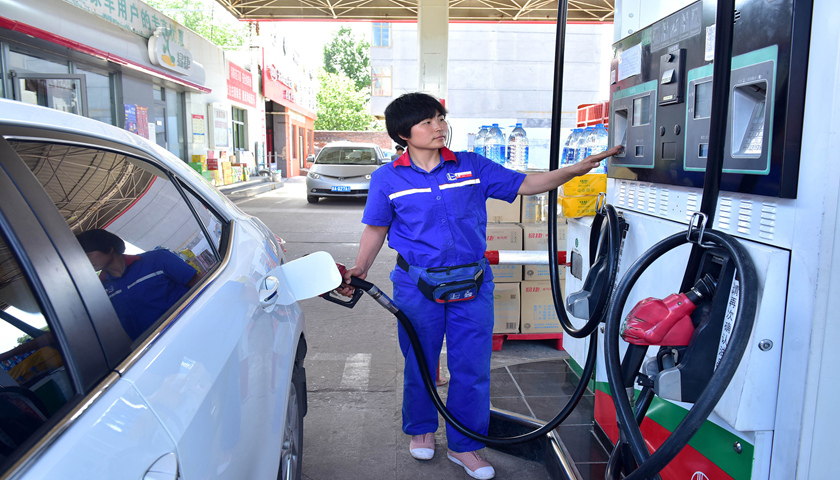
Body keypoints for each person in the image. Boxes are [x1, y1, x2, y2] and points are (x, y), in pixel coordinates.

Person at [338, 92, 620, 480]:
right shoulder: (388, 178)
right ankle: (421, 429)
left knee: (471, 367)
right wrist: (360, 267)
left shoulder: (470, 166)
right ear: (404, 133)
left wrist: (575, 170)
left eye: (441, 118)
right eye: (427, 122)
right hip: (416, 285)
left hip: (472, 284)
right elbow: (376, 228)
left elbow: (528, 184)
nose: (439, 127)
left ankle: (465, 446)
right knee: (420, 362)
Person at [76, 229, 201, 340]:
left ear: (108, 248)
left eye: (88, 254)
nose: (86, 260)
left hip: (192, 329)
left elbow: (199, 284)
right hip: (153, 349)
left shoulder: (158, 259)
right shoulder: (100, 290)